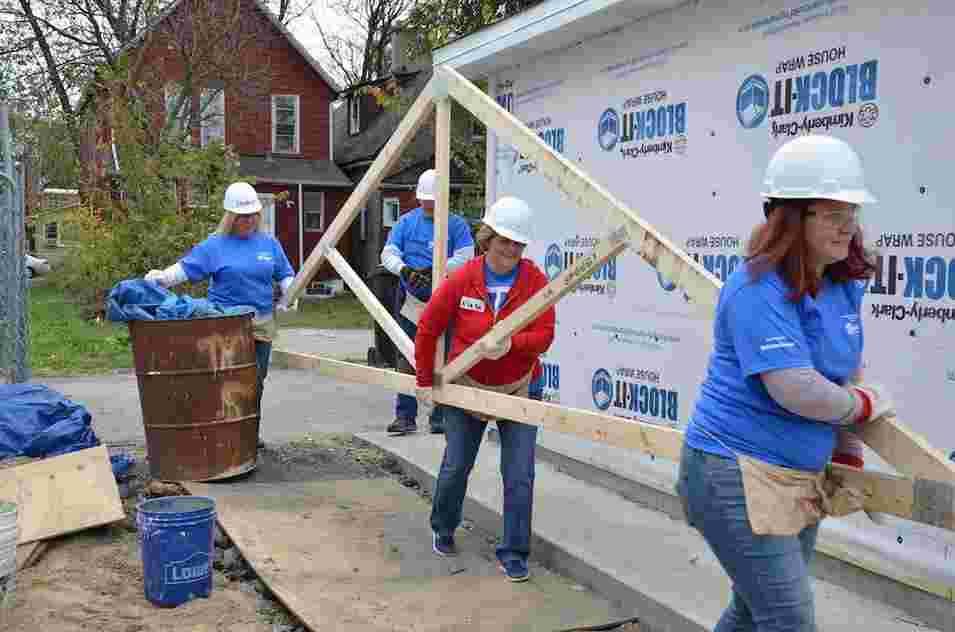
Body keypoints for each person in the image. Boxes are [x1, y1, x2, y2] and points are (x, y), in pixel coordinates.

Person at [676, 135, 894, 632]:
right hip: (734, 472)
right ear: (792, 218)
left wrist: (847, 450)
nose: (848, 226)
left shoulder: (841, 283)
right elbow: (793, 386)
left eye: (852, 213)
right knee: (787, 620)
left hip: (797, 474)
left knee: (754, 613)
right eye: (833, 214)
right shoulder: (756, 287)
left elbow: (841, 370)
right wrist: (860, 407)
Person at [414, 196, 555, 583]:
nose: (511, 250)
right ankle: (443, 527)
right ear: (487, 238)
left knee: (520, 473)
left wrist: (514, 344)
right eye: (504, 241)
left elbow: (545, 336)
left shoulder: (535, 282)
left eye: (518, 244)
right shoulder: (463, 279)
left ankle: (514, 552)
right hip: (468, 386)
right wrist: (425, 382)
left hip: (519, 387)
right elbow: (428, 327)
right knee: (457, 464)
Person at [145, 181, 296, 450]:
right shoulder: (215, 245)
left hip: (260, 322)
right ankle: (218, 434)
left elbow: (285, 272)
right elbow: (186, 268)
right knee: (221, 380)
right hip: (223, 323)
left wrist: (289, 292)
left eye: (253, 215)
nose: (249, 221)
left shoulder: (268, 244)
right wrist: (162, 278)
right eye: (243, 216)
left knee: (255, 380)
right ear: (231, 216)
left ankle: (248, 433)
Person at [380, 168, 475, 436]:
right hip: (411, 298)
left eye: (432, 200)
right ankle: (405, 415)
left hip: (445, 297)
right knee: (407, 353)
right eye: (424, 200)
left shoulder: (456, 225)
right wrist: (405, 270)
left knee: (445, 356)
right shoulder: (407, 223)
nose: (428, 205)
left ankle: (441, 415)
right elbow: (388, 253)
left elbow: (467, 256)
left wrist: (438, 270)